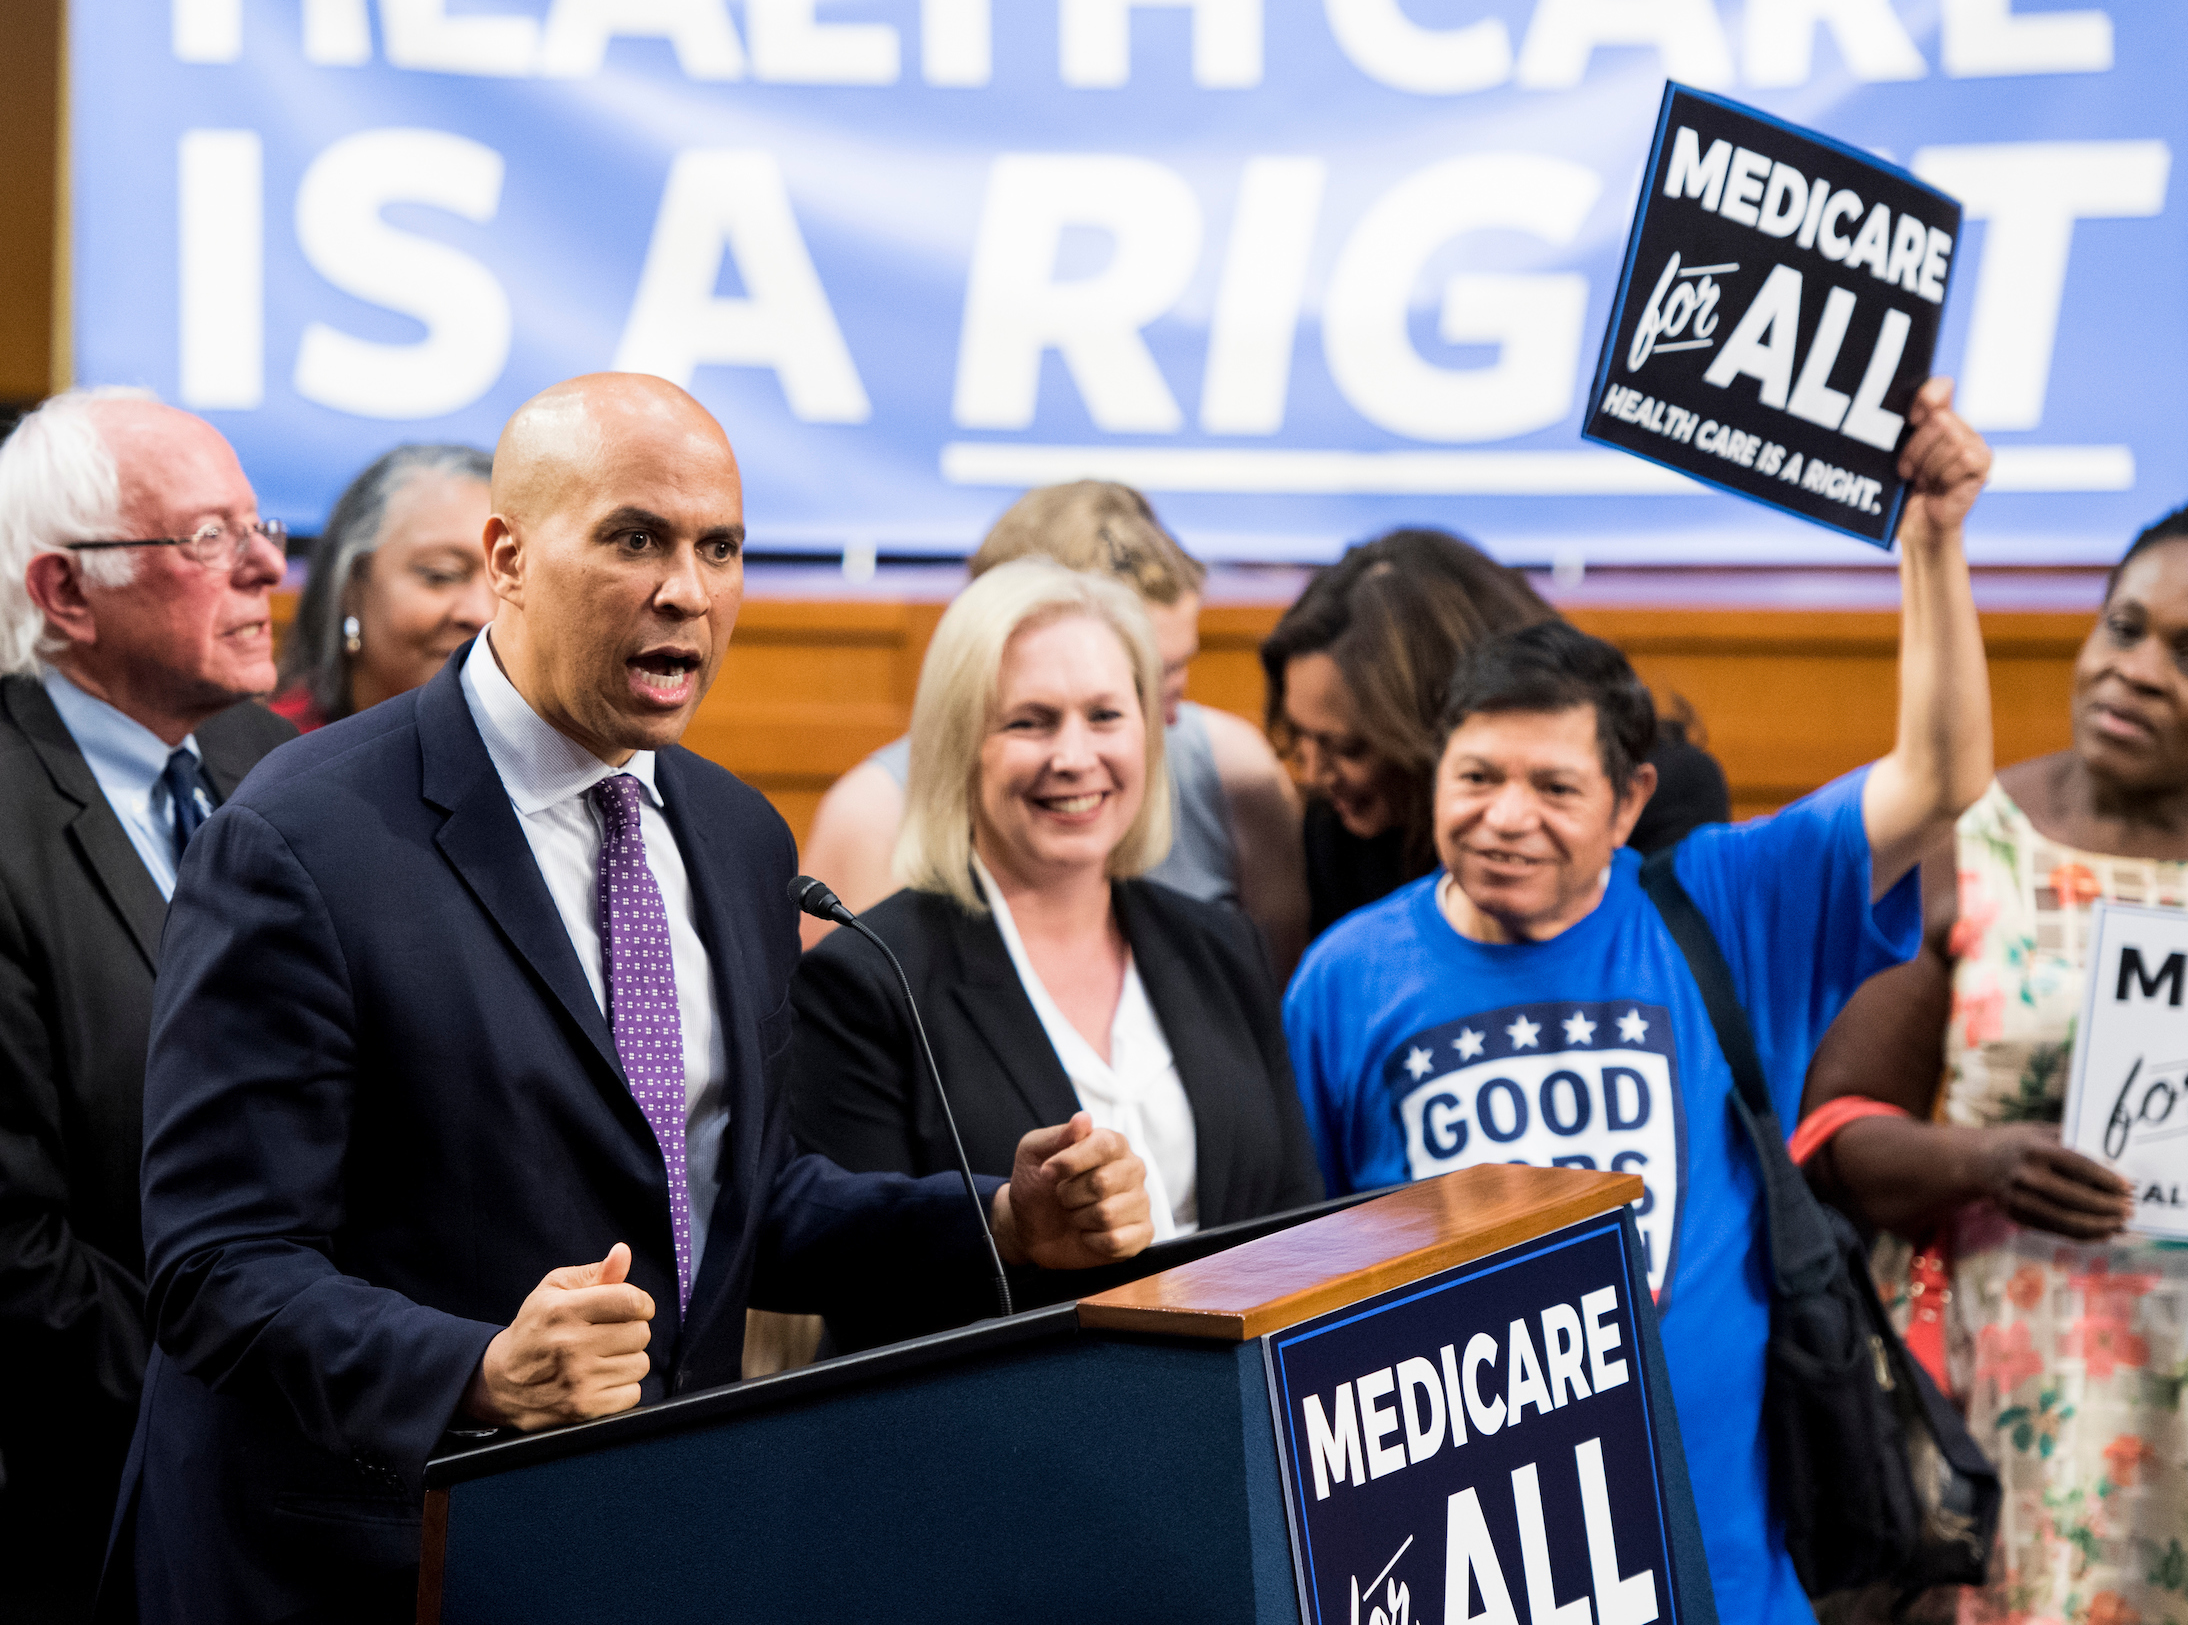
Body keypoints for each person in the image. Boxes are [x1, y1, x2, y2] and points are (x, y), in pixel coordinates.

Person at [114, 374, 1152, 1623]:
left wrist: (996, 1223)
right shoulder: (300, 838)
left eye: (720, 547)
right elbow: (216, 1263)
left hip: (637, 1544)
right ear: (507, 558)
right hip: (357, 1567)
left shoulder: (736, 835)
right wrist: (481, 1368)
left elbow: (726, 1198)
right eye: (634, 539)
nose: (688, 590)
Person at [1280, 381, 1994, 1625]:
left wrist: (1932, 542)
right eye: (1477, 777)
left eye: (1555, 788)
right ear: (1432, 772)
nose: (1507, 817)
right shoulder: (1344, 977)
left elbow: (1939, 778)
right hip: (1448, 1571)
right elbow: (1308, 1269)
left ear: (1628, 801)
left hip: (1717, 1566)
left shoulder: (1727, 904)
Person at [1797, 498, 2188, 1625]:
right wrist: (1986, 1162)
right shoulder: (1959, 839)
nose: (2138, 671)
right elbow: (1836, 1134)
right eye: (2124, 628)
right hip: (2007, 1388)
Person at [790, 559, 1320, 1344]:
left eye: (1105, 715)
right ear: (958, 745)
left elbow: (1296, 1231)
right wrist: (1009, 1224)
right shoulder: (865, 978)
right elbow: (841, 1272)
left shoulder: (1223, 947)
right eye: (1029, 722)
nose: (1074, 757)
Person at [0, 388, 294, 1622]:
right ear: (67, 593)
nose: (269, 566)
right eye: (207, 540)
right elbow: (17, 1262)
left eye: (257, 525)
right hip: (85, 1515)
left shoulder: (262, 767)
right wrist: (269, 1389)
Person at [801, 481, 1306, 972]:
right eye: (1033, 718)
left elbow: (1271, 1010)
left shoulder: (1231, 773)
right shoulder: (873, 818)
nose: (1165, 716)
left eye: (1173, 676)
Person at [1261, 528, 1730, 941]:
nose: (1312, 772)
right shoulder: (1339, 829)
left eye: (1347, 747)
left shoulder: (1666, 797)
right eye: (1299, 737)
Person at [270, 443, 495, 731]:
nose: (482, 613)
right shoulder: (264, 761)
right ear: (351, 588)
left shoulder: (550, 761)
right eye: (441, 574)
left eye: (506, 578)